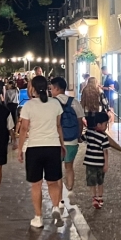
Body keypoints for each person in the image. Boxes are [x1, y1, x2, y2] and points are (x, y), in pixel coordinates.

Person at [17, 75, 65, 229]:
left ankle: (38, 218)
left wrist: (20, 149)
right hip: (52, 146)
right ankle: (56, 207)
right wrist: (62, 144)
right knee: (52, 182)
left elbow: (24, 129)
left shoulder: (28, 106)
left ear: (33, 89)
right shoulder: (55, 103)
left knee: (36, 185)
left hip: (35, 148)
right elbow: (58, 126)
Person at [50, 77, 81, 208]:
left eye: (51, 88)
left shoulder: (51, 103)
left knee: (57, 170)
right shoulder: (74, 102)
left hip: (56, 141)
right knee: (69, 167)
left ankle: (60, 199)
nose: (50, 91)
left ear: (57, 88)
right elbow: (80, 121)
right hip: (72, 140)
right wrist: (78, 136)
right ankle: (69, 189)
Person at [82, 111, 111, 208]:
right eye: (105, 124)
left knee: (93, 181)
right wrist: (106, 164)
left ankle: (96, 197)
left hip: (90, 162)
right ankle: (98, 198)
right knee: (99, 181)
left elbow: (82, 138)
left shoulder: (89, 133)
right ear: (99, 124)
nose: (106, 126)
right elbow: (105, 152)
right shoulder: (103, 137)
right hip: (98, 162)